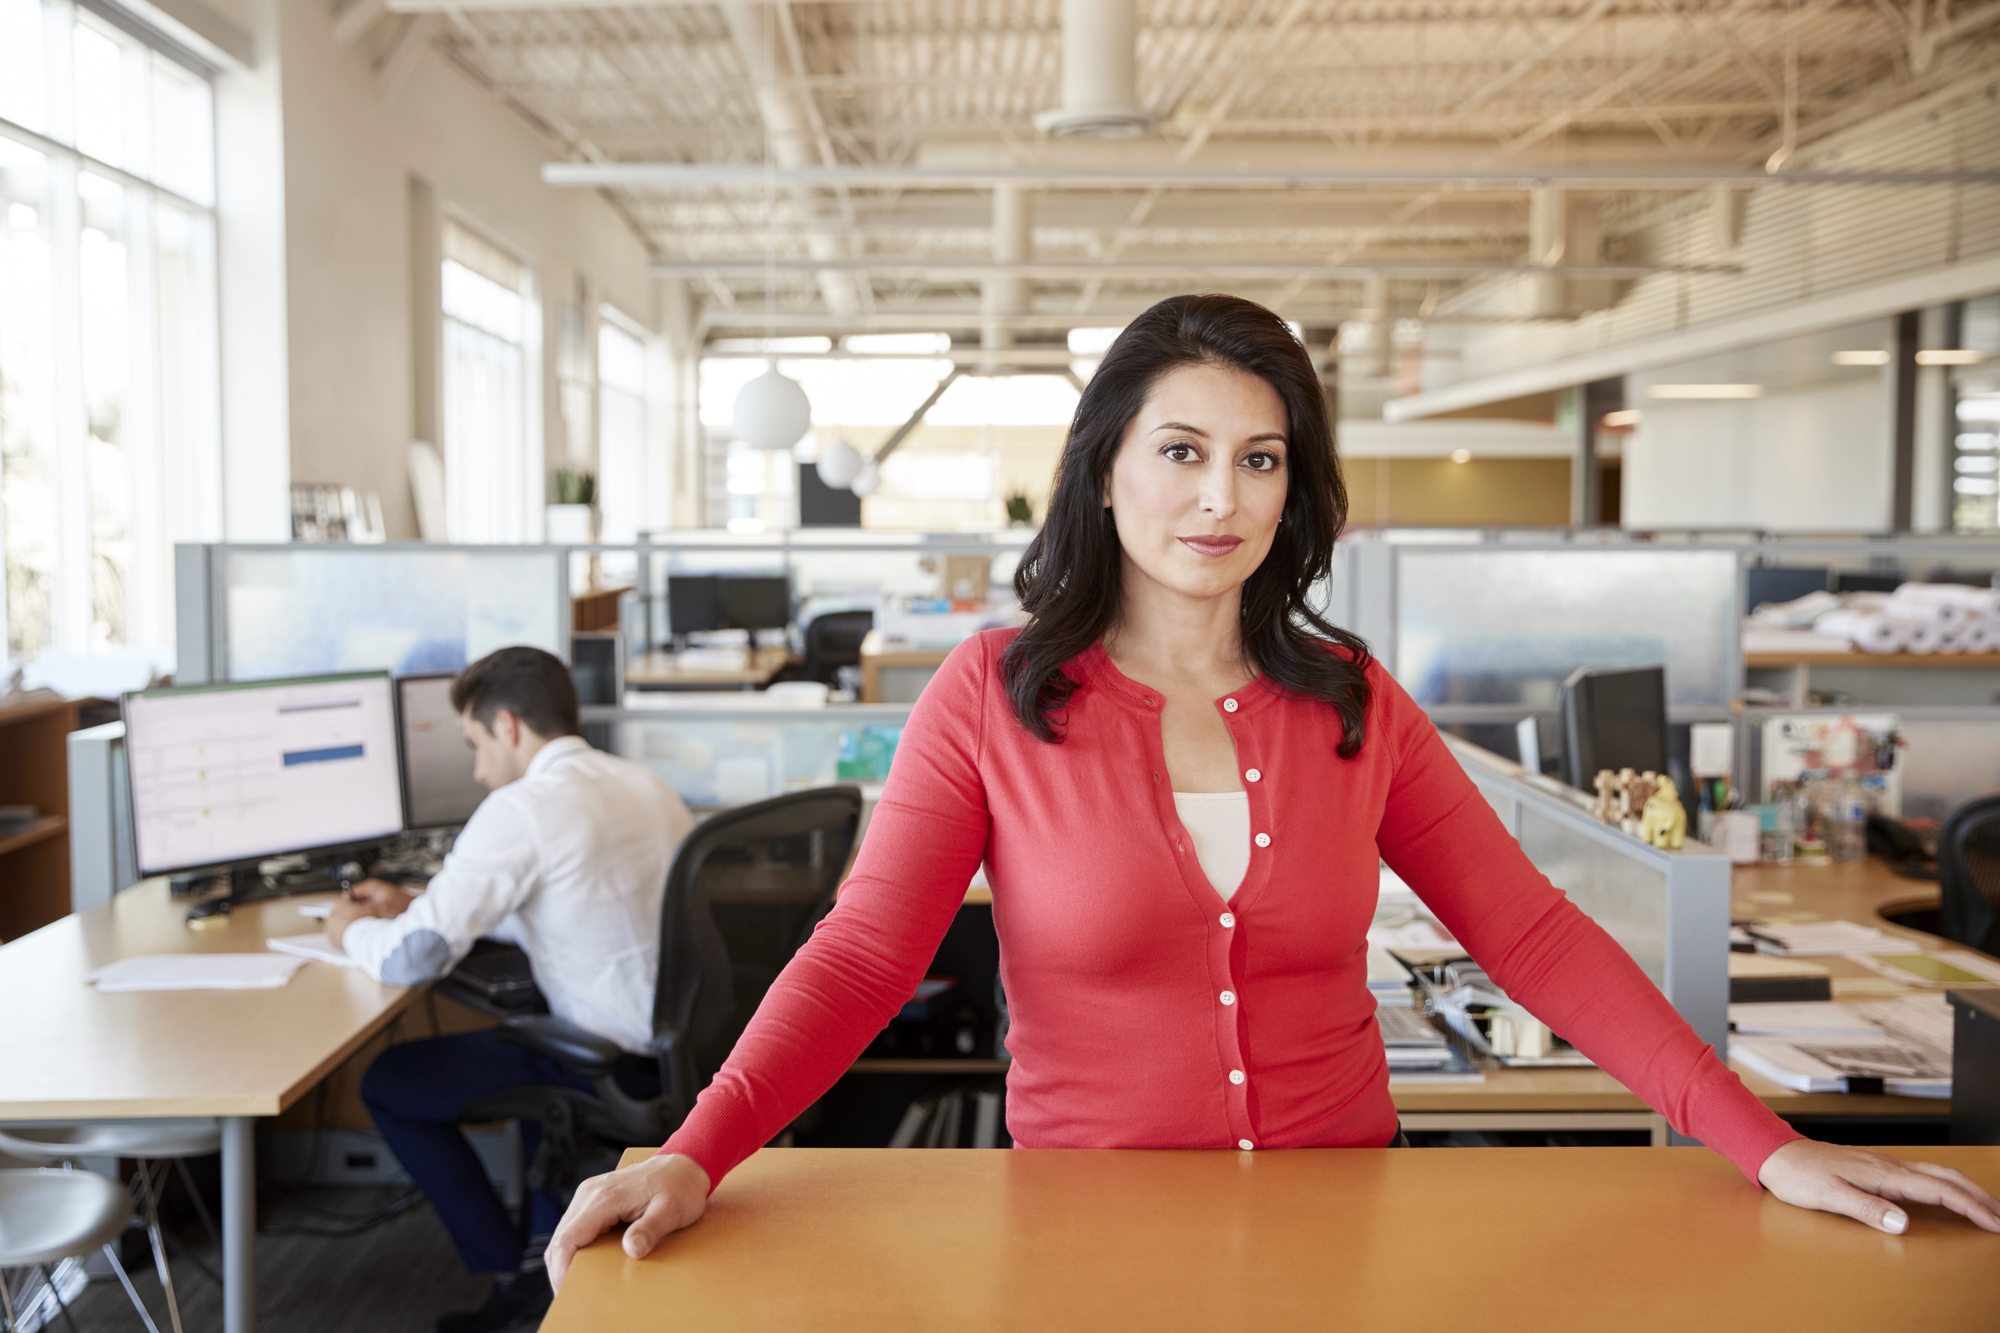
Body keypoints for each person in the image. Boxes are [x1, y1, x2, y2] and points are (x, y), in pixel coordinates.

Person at [545, 294, 2000, 1292]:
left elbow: (1532, 937)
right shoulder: (992, 694)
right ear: (1103, 472)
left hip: (1340, 1225)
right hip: (1087, 1240)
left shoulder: (1352, 699)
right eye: (1179, 453)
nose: (1218, 499)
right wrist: (697, 1147)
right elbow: (866, 956)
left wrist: (1767, 1142)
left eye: (1259, 460)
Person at [327, 645, 695, 1332]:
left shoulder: (522, 806)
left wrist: (347, 928)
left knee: (389, 1082)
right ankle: (540, 1255)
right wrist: (419, 896)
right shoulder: (643, 782)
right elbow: (580, 901)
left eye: (475, 743)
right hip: (677, 1053)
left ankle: (514, 1273)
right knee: (522, 1042)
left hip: (601, 1060)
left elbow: (413, 957)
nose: (476, 767)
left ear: (509, 726)